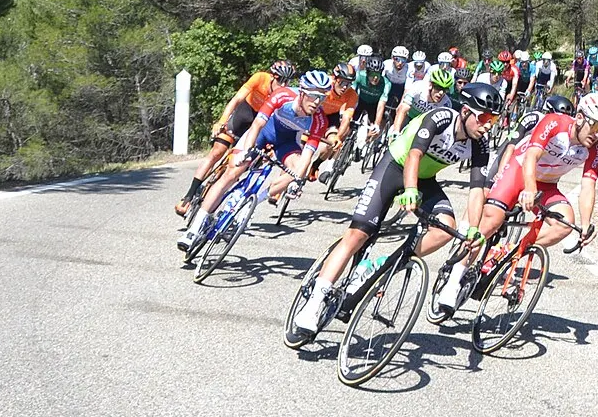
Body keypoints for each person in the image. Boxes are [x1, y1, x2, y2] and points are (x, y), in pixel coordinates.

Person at [293, 81, 505, 335]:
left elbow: (476, 190)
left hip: (425, 180)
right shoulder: (440, 118)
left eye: (492, 119)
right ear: (466, 112)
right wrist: (410, 189)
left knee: (446, 228)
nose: (487, 125)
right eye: (483, 117)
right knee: (358, 234)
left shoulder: (479, 143)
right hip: (394, 167)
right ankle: (315, 299)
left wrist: (473, 228)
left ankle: (385, 263)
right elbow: (414, 155)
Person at [438, 91, 598, 309]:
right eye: (594, 126)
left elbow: (588, 185)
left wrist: (586, 225)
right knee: (492, 221)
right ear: (580, 117)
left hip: (547, 184)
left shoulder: (596, 148)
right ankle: (453, 282)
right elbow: (530, 157)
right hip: (518, 171)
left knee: (564, 223)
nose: (597, 134)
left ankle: (510, 252)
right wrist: (529, 189)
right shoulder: (554, 122)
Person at [178, 69, 335, 250]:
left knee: (298, 171)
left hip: (287, 142)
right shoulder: (283, 96)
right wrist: (247, 151)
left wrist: (297, 182)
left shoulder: (319, 120)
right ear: (302, 92)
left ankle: (252, 203)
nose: (317, 102)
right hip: (263, 133)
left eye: (322, 98)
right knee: (232, 173)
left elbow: (307, 155)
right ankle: (195, 228)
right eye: (313, 96)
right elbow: (257, 124)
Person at [175, 59, 296, 217]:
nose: (284, 85)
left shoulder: (285, 95)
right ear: (273, 76)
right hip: (243, 114)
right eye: (281, 80)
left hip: (259, 123)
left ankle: (215, 199)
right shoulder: (260, 78)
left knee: (238, 164)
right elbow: (237, 99)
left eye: (287, 81)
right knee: (217, 152)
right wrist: (222, 121)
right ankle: (189, 196)